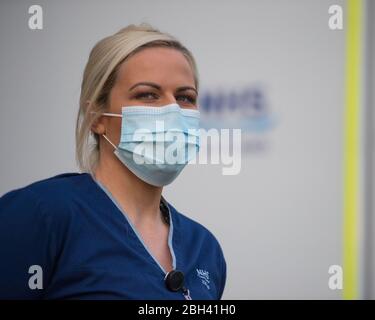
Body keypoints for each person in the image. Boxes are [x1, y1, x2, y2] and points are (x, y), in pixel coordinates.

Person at [0, 24, 226, 300]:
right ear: (96, 117)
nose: (173, 111)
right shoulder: (39, 215)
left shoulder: (205, 248)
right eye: (148, 94)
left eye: (185, 97)